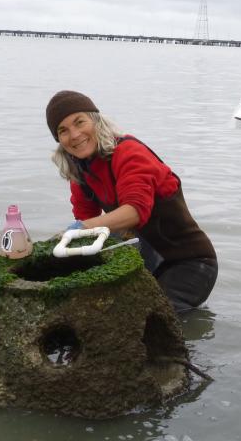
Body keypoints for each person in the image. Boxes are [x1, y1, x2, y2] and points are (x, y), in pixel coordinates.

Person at [45, 90, 217, 313]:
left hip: (192, 262)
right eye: (63, 130)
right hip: (149, 256)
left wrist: (83, 227)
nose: (75, 134)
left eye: (79, 122)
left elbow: (134, 211)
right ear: (59, 140)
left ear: (96, 121)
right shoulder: (80, 169)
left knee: (155, 323)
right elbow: (86, 218)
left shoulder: (128, 152)